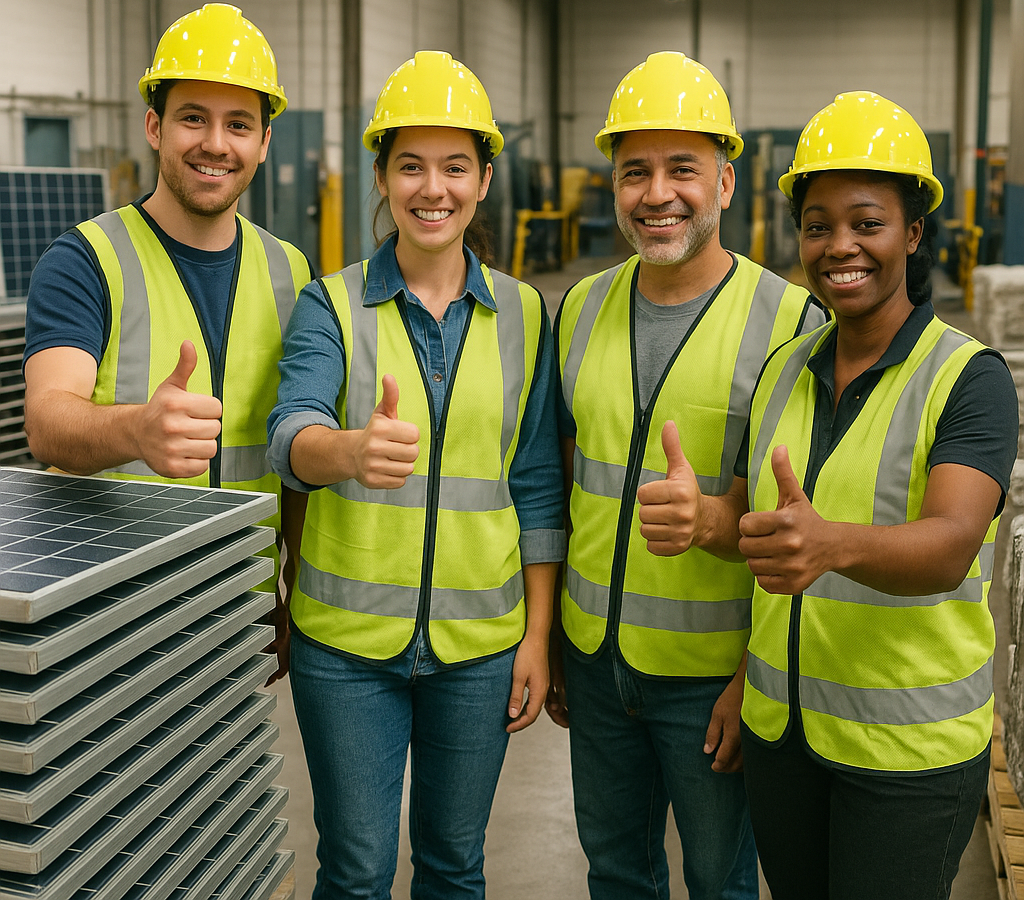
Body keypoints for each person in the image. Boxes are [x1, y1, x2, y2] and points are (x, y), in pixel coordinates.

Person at [266, 50, 564, 900]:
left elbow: (538, 481)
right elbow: (290, 434)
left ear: (482, 180)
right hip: (347, 651)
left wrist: (536, 636)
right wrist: (348, 451)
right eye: (411, 166)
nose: (432, 188)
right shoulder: (331, 303)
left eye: (454, 168)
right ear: (384, 178)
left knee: (452, 866)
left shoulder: (525, 314)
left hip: (479, 648)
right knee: (356, 870)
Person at [546, 50, 825, 900]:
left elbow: (806, 527)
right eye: (636, 171)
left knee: (718, 881)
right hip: (594, 663)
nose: (657, 192)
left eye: (683, 169)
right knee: (617, 873)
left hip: (712, 675)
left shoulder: (790, 322)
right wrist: (554, 635)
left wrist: (754, 679)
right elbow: (561, 484)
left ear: (726, 182)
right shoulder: (582, 307)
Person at [735, 91, 1018, 900]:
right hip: (784, 741)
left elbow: (951, 543)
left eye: (868, 222)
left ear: (914, 232)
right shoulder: (786, 368)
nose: (839, 246)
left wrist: (833, 545)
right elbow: (767, 533)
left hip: (907, 760)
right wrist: (703, 517)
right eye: (818, 225)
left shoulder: (967, 378)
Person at [23, 2, 312, 657]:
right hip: (111, 614)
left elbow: (292, 451)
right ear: (154, 127)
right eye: (192, 118)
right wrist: (136, 430)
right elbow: (46, 419)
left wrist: (290, 585)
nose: (215, 143)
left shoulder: (290, 271)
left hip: (241, 607)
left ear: (264, 142)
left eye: (238, 123)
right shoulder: (85, 260)